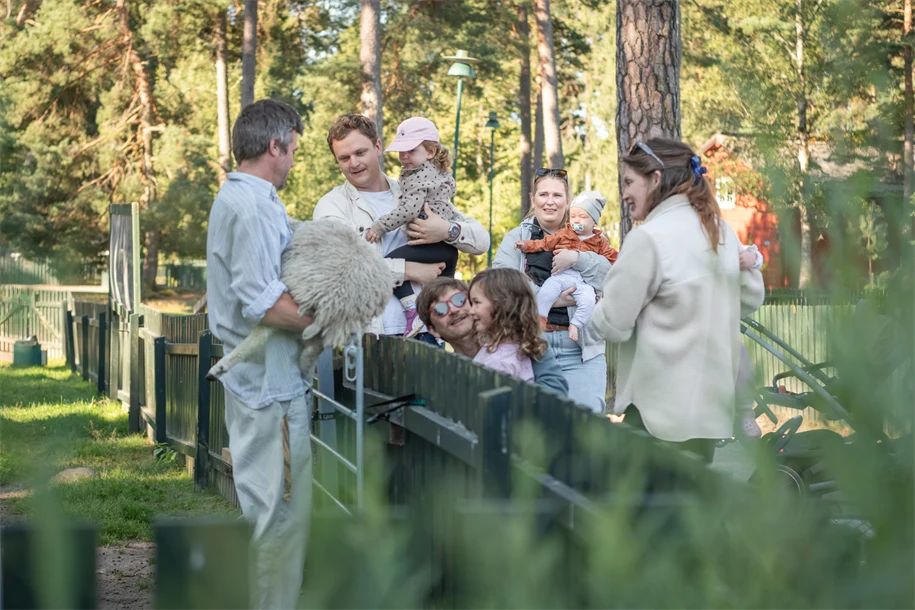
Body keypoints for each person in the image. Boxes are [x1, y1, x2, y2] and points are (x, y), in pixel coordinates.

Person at [590, 138, 765, 463]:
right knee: (690, 508)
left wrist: (594, 308)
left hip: (657, 417)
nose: (624, 193)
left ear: (655, 179)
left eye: (629, 182)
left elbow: (613, 324)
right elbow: (751, 299)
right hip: (708, 417)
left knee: (649, 511)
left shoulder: (648, 239)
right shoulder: (722, 233)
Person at [205, 99, 313, 610]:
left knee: (285, 515)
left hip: (276, 381)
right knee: (274, 515)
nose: (293, 160)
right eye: (292, 150)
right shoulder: (247, 207)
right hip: (265, 389)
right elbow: (264, 302)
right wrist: (329, 320)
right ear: (274, 146)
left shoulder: (260, 200)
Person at [313, 114, 489, 343]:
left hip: (427, 332)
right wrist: (409, 270)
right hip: (369, 334)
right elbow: (339, 270)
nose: (353, 163)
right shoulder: (332, 205)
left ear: (377, 147)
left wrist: (446, 230)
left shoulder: (414, 189)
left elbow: (482, 241)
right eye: (344, 158)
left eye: (360, 153)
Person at [494, 169, 612, 413]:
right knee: (536, 426)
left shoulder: (593, 238)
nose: (550, 201)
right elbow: (501, 289)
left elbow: (612, 277)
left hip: (581, 351)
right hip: (530, 346)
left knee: (585, 423)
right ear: (533, 198)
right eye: (543, 194)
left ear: (567, 201)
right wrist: (554, 300)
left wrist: (577, 258)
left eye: (557, 195)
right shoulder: (518, 238)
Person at [365, 117, 460, 335]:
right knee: (440, 293)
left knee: (389, 263)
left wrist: (380, 226)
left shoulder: (419, 177)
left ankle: (412, 311)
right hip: (445, 248)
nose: (404, 157)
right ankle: (435, 319)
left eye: (411, 150)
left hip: (435, 245)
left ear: (430, 152)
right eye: (401, 151)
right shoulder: (436, 173)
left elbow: (408, 210)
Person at [416, 277, 569, 395]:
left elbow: (555, 391)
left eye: (459, 300)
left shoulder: (526, 340)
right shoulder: (444, 374)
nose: (453, 310)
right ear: (433, 330)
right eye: (440, 309)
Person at [516, 190, 618, 342]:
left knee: (589, 300)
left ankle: (575, 324)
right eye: (573, 216)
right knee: (547, 290)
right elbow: (545, 243)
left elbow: (611, 259)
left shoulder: (600, 241)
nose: (576, 220)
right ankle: (541, 318)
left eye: (583, 217)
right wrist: (526, 245)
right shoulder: (564, 233)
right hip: (562, 276)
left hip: (583, 282)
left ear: (594, 221)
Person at [466, 268, 547, 382]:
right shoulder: (517, 348)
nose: (471, 311)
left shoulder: (499, 364)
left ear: (502, 305)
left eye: (477, 302)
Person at [736, 243, 765, 439]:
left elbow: (754, 253)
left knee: (741, 361)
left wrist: (753, 259)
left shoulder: (721, 232)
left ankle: (746, 411)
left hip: (720, 316)